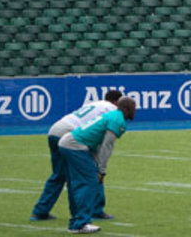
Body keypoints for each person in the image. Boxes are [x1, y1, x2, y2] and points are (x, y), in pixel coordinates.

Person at [31, 89, 122, 223]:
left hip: (55, 130)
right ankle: (96, 210)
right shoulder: (113, 110)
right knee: (92, 172)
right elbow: (98, 135)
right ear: (116, 102)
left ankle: (40, 211)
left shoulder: (95, 104)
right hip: (71, 135)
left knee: (58, 175)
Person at [57, 96, 137, 235]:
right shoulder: (118, 120)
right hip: (75, 145)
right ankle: (81, 223)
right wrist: (101, 169)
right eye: (133, 108)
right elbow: (106, 146)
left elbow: (97, 142)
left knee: (76, 184)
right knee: (90, 182)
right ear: (126, 109)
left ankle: (75, 222)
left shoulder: (112, 115)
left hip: (68, 142)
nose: (135, 111)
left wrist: (96, 163)